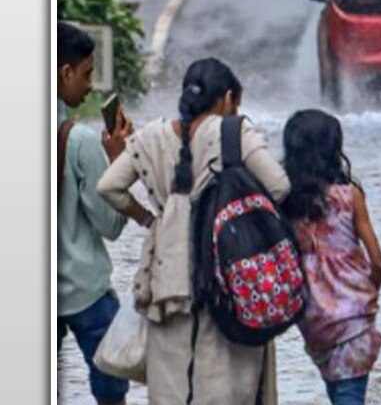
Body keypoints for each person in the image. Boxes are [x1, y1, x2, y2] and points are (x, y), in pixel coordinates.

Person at [97, 58, 289, 405]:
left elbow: (109, 187)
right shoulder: (235, 133)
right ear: (228, 98)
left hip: (166, 280)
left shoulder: (149, 137)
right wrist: (241, 216)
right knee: (232, 384)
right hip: (229, 275)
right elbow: (278, 186)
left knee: (172, 384)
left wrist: (149, 220)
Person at [280, 109, 381, 405]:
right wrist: (364, 297)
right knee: (349, 395)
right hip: (353, 322)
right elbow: (378, 261)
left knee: (338, 393)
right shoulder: (350, 197)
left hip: (313, 324)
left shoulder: (285, 201)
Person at [57, 23, 135, 405]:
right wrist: (118, 161)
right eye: (86, 74)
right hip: (84, 290)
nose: (89, 86)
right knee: (112, 378)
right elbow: (111, 225)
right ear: (65, 73)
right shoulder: (80, 140)